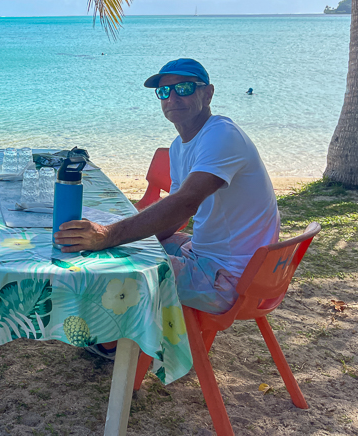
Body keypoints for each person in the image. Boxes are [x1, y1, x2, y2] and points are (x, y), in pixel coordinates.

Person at [54, 58, 279, 358]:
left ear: (208, 93)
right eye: (164, 91)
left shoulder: (222, 135)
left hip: (230, 279)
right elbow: (176, 218)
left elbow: (185, 202)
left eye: (184, 88)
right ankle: (113, 331)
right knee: (118, 249)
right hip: (206, 256)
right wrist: (120, 239)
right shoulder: (179, 145)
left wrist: (108, 235)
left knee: (119, 266)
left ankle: (114, 344)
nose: (172, 98)